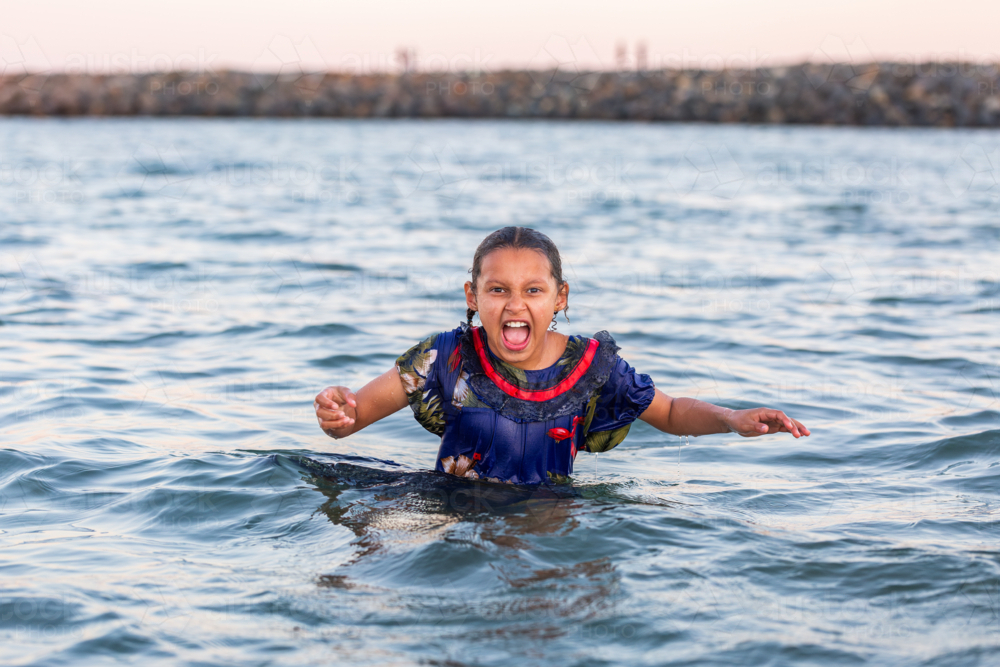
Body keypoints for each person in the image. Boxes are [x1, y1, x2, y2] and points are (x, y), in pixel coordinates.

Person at [314, 226, 810, 485]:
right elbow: (355, 414)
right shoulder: (445, 356)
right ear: (472, 296)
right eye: (497, 289)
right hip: (451, 512)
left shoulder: (591, 368)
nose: (515, 304)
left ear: (560, 297)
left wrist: (732, 418)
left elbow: (673, 412)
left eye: (533, 289)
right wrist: (338, 410)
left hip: (546, 514)